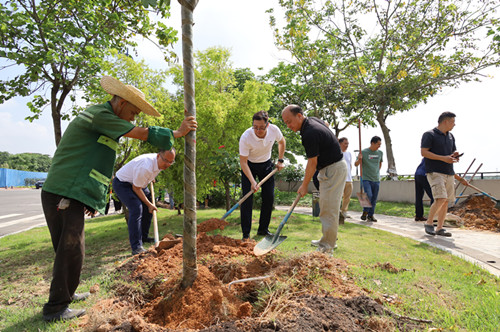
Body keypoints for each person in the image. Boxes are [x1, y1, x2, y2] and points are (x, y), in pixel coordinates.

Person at [40, 76, 197, 322]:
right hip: (63, 192)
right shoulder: (100, 115)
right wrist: (176, 133)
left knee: (70, 247)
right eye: (133, 111)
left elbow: (95, 163)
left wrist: (90, 200)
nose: (134, 117)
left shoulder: (104, 120)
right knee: (71, 248)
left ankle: (66, 294)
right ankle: (56, 308)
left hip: (70, 192)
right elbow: (139, 133)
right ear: (121, 103)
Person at [281, 105, 346, 255]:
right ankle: (328, 239)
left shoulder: (309, 133)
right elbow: (326, 125)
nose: (288, 126)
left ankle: (327, 247)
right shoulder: (312, 121)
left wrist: (304, 186)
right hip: (330, 168)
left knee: (329, 209)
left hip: (333, 169)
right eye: (285, 123)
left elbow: (312, 162)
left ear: (299, 116)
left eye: (289, 121)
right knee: (326, 206)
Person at [113, 149, 176, 255]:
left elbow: (146, 177)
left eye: (171, 162)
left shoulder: (160, 163)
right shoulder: (145, 166)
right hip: (123, 183)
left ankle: (144, 237)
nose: (168, 164)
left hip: (137, 182)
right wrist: (149, 204)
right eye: (166, 161)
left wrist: (150, 178)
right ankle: (136, 247)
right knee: (136, 208)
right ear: (158, 156)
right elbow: (136, 188)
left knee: (149, 204)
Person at [239, 110, 286, 239]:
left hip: (266, 165)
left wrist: (280, 160)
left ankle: (263, 230)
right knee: (247, 199)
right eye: (255, 127)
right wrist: (252, 182)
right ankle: (246, 234)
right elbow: (243, 162)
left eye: (261, 127)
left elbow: (282, 142)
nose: (258, 130)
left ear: (267, 125)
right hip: (249, 166)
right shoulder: (246, 137)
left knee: (268, 197)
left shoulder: (274, 130)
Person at [421, 112, 468, 237]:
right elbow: (424, 152)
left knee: (445, 201)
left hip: (449, 172)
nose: (454, 124)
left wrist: (455, 155)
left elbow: (451, 152)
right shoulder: (429, 134)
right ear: (445, 121)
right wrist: (443, 158)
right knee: (440, 198)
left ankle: (440, 228)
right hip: (435, 172)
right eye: (452, 121)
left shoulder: (451, 136)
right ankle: (429, 223)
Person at [354, 136, 383, 222]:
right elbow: (356, 164)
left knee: (374, 198)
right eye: (378, 144)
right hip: (366, 178)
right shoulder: (363, 152)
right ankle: (365, 211)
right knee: (368, 195)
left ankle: (370, 215)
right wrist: (359, 159)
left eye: (380, 144)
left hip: (376, 179)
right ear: (372, 143)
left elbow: (380, 164)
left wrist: (376, 172)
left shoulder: (380, 153)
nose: (379, 146)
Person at [339, 137, 353, 219]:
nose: (347, 145)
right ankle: (337, 211)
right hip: (340, 179)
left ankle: (344, 211)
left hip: (349, 179)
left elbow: (350, 165)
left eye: (347, 143)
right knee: (338, 196)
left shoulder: (349, 153)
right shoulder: (337, 153)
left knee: (347, 197)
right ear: (340, 143)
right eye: (345, 143)